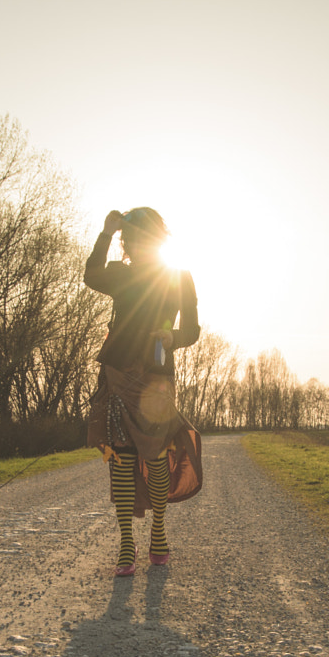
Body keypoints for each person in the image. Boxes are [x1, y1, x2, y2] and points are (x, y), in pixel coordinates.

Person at [83, 206, 203, 577]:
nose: (136, 244)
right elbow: (91, 275)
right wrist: (105, 232)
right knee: (120, 457)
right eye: (129, 239)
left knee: (154, 456)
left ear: (158, 239)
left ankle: (158, 530)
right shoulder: (121, 275)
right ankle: (124, 543)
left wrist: (174, 337)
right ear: (126, 243)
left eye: (142, 237)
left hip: (156, 377)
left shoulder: (180, 277)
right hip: (118, 373)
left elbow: (193, 330)